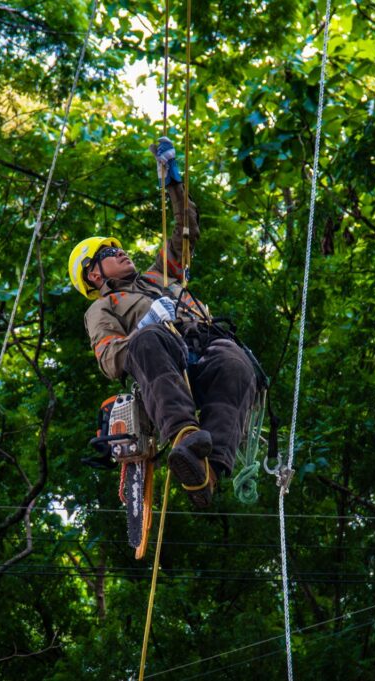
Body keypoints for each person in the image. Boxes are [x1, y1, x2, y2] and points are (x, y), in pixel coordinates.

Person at [68, 137, 257, 509]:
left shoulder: (157, 279)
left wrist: (174, 184)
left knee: (235, 362)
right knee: (149, 338)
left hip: (202, 348)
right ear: (93, 276)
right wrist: (145, 327)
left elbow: (186, 232)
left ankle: (208, 472)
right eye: (108, 253)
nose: (120, 251)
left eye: (119, 247)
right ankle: (185, 435)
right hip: (163, 367)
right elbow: (110, 359)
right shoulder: (102, 308)